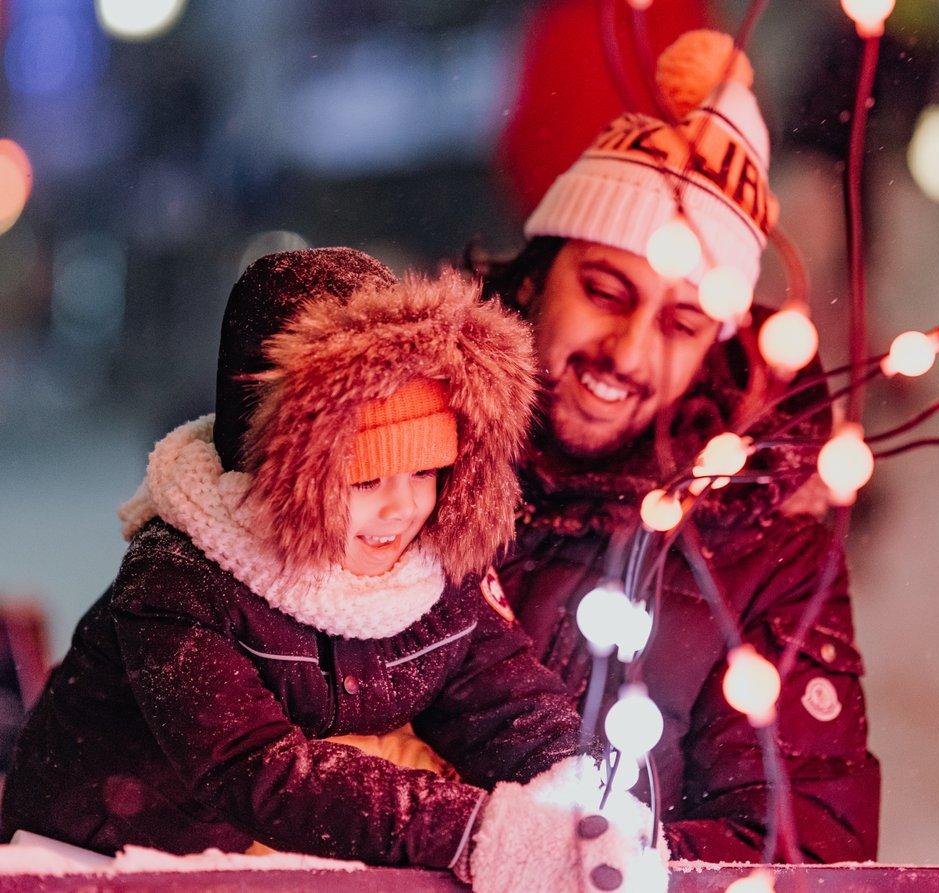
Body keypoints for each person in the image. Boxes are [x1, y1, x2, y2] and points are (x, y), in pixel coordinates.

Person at [0, 249, 660, 889]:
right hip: (93, 865)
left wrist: (582, 796)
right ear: (285, 475)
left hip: (260, 868)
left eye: (427, 471)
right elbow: (255, 770)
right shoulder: (179, 579)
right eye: (365, 478)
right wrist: (477, 829)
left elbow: (504, 700)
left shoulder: (425, 571)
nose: (403, 508)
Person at [479, 29, 880, 862]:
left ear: (716, 345)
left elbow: (800, 851)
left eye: (681, 322)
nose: (627, 354)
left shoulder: (762, 546)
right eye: (603, 290)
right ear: (535, 273)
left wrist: (563, 858)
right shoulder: (403, 440)